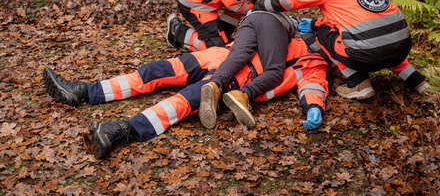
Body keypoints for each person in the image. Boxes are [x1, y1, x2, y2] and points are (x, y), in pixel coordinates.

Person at [43, 37, 331, 159]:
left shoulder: (314, 60)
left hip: (240, 79)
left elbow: (314, 84)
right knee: (153, 71)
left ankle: (121, 131)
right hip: (219, 56)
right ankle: (83, 91)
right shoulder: (288, 24)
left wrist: (314, 107)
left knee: (184, 101)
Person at [251, 0, 430, 99]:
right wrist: (314, 21)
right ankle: (419, 82)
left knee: (321, 33)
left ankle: (359, 82)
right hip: (402, 45)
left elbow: (287, 0)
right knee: (384, 37)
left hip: (366, 54)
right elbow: (356, 20)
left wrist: (257, 5)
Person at [199, 10, 297, 129]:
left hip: (250, 18)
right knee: (274, 71)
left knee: (237, 56)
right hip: (274, 23)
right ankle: (243, 94)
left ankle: (215, 84)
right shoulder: (305, 29)